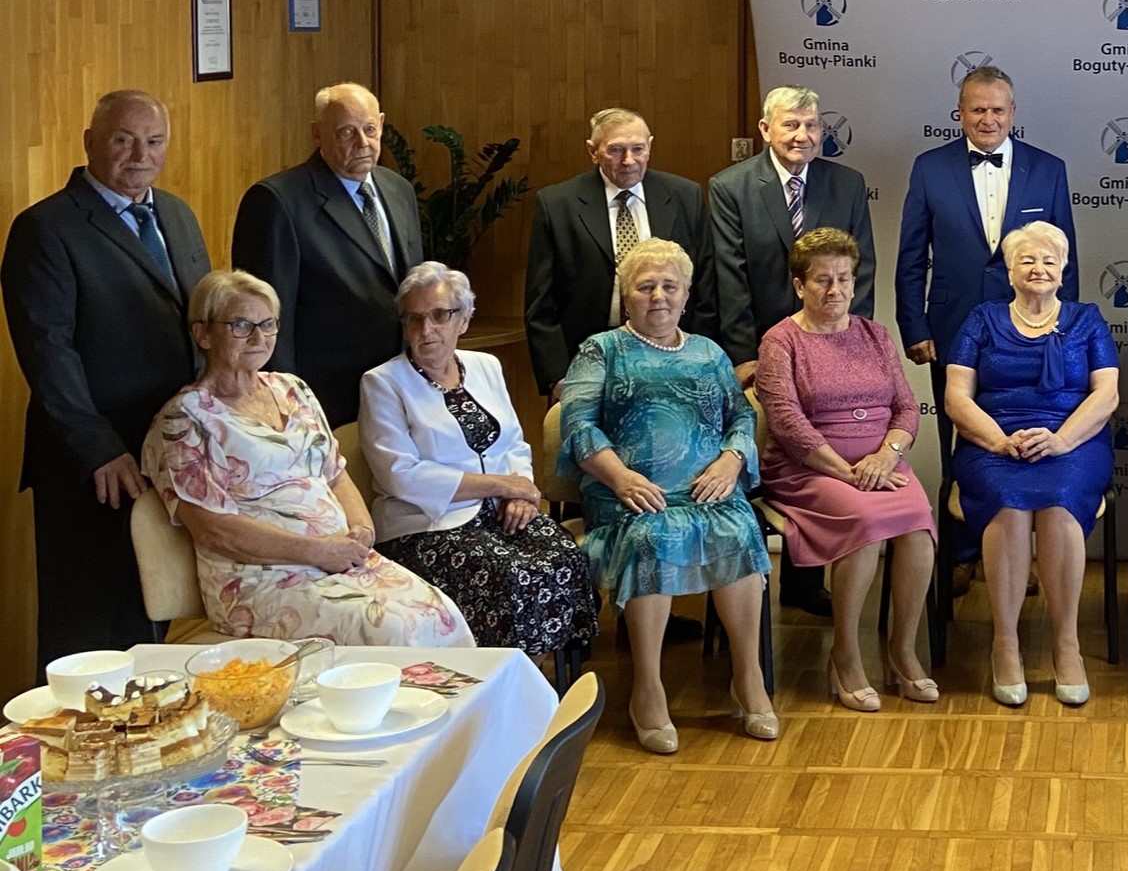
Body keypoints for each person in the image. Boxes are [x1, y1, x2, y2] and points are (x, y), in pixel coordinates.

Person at [141, 270, 474, 647]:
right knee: (393, 628)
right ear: (203, 334)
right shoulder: (185, 419)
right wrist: (318, 551)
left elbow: (336, 475)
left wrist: (362, 531)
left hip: (340, 561)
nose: (258, 337)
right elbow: (214, 530)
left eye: (268, 324)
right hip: (261, 581)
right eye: (241, 325)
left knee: (441, 612)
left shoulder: (292, 388)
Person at [2, 90, 211, 665]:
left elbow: (200, 321)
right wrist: (99, 448)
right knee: (88, 626)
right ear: (91, 143)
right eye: (124, 140)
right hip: (93, 462)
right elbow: (48, 351)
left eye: (154, 141)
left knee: (149, 617)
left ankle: (147, 720)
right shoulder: (46, 229)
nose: (141, 155)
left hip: (166, 449)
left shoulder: (177, 215)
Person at [557, 238, 775, 751]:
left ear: (686, 295)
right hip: (629, 494)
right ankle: (648, 689)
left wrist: (731, 459)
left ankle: (748, 677)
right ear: (626, 295)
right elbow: (578, 425)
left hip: (706, 490)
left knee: (739, 528)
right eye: (645, 286)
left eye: (669, 286)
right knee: (653, 537)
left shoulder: (709, 352)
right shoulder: (601, 349)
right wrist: (620, 477)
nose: (658, 296)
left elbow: (741, 416)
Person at [357, 262, 599, 657]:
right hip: (427, 527)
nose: (426, 329)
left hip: (500, 511)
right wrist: (503, 485)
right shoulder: (383, 382)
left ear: (464, 319)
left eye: (440, 315)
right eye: (414, 318)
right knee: (513, 575)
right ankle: (505, 678)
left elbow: (514, 443)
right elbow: (400, 475)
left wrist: (520, 493)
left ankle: (544, 679)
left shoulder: (486, 366)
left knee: (564, 554)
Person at [896, 65, 1077, 592]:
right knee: (962, 437)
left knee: (1028, 432)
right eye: (978, 109)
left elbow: (1066, 260)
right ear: (960, 113)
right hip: (953, 326)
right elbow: (911, 257)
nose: (988, 119)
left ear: (1013, 113)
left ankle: (1020, 553)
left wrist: (1064, 331)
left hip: (1033, 331)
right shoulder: (930, 168)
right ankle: (962, 552)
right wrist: (914, 324)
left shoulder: (1049, 169)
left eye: (998, 110)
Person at [710, 84, 876, 617]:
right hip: (762, 352)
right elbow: (730, 277)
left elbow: (860, 273)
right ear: (766, 130)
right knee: (775, 453)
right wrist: (746, 355)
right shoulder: (731, 187)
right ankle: (749, 587)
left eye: (811, 125)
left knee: (824, 448)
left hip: (830, 350)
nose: (803, 135)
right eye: (791, 124)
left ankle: (805, 585)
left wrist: (848, 347)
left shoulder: (847, 184)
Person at [753, 229, 936, 711]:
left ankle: (902, 651)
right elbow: (788, 423)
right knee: (866, 523)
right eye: (822, 280)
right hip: (807, 469)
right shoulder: (781, 341)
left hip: (880, 464)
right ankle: (846, 654)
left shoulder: (875, 335)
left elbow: (906, 408)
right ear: (800, 286)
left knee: (919, 527)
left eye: (844, 279)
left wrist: (886, 456)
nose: (834, 290)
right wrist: (848, 472)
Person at [943, 221, 1117, 707]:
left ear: (1064, 269)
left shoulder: (1087, 319)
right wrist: (998, 441)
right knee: (1009, 503)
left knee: (1059, 503)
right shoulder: (981, 319)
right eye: (1027, 260)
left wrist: (1061, 441)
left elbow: (1106, 395)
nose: (1038, 268)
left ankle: (1067, 644)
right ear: (1009, 271)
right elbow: (957, 397)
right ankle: (1005, 643)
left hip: (1073, 442)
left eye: (1048, 260)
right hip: (993, 442)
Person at [231, 83, 423, 428]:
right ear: (317, 134)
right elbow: (267, 318)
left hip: (400, 387)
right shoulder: (277, 201)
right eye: (346, 132)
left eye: (370, 129)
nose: (362, 143)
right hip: (325, 398)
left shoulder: (398, 189)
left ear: (382, 124)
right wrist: (284, 406)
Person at [526, 107, 715, 400]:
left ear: (649, 147)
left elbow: (704, 285)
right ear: (593, 151)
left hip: (672, 357)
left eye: (638, 149)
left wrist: (698, 359)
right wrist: (558, 378)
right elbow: (541, 303)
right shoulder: (557, 204)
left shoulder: (684, 196)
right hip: (587, 361)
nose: (628, 160)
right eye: (616, 150)